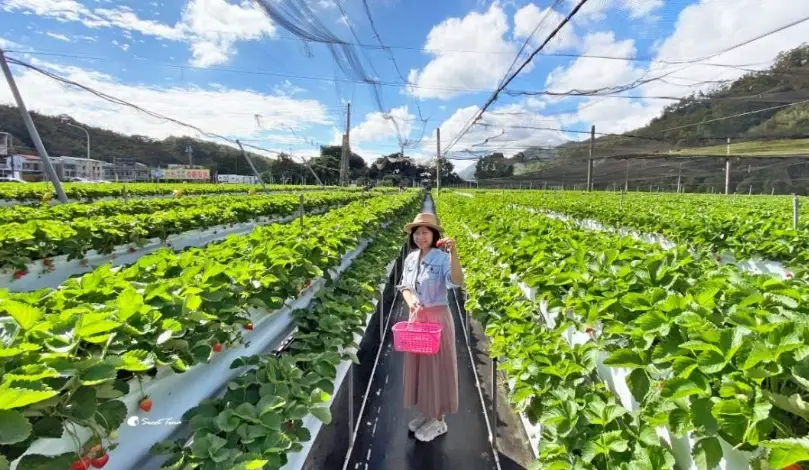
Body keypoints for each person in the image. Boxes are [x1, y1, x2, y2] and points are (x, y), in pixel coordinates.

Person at [397, 212, 464, 442]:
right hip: (417, 318)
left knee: (437, 368)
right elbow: (404, 286)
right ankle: (427, 413)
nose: (420, 236)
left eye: (425, 232)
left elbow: (456, 281)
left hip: (437, 320)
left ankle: (439, 420)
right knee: (422, 368)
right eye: (417, 232)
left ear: (434, 234)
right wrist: (411, 301)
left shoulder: (442, 258)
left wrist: (454, 253)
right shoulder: (410, 258)